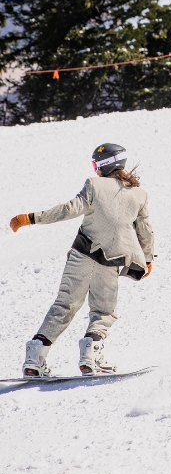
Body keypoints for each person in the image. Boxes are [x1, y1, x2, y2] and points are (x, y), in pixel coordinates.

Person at [8, 143, 155, 377]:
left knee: (64, 305)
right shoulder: (139, 194)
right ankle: (90, 356)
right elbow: (145, 230)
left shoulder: (94, 185)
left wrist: (32, 218)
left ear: (105, 164)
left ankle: (34, 358)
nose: (95, 169)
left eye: (96, 164)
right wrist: (147, 259)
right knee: (104, 311)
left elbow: (70, 209)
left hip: (82, 254)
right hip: (110, 260)